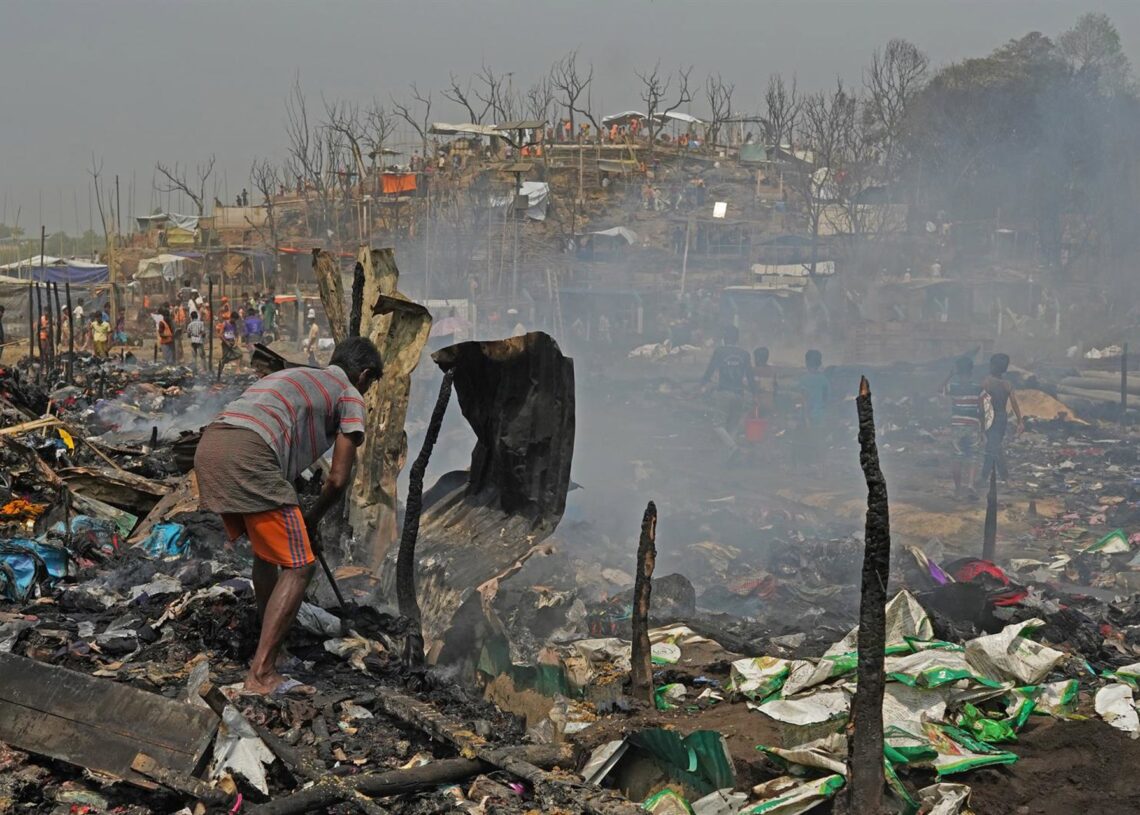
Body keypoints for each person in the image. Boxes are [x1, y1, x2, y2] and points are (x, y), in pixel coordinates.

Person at [195, 336, 383, 696]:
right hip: (251, 453)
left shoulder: (300, 377)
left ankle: (276, 653)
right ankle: (261, 674)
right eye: (371, 385)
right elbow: (339, 478)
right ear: (364, 375)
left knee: (268, 556)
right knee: (301, 566)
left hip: (212, 446)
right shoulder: (349, 394)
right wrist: (311, 520)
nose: (368, 393)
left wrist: (302, 518)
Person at [700, 325, 756, 452]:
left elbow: (710, 370)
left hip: (724, 392)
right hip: (739, 394)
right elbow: (750, 376)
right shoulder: (745, 354)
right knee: (733, 426)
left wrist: (702, 384)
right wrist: (755, 393)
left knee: (718, 424)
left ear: (724, 338)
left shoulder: (719, 351)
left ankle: (733, 448)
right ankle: (730, 454)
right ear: (737, 339)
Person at [942, 356, 983, 499]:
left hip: (957, 426)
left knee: (957, 456)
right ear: (971, 370)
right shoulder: (978, 388)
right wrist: (982, 427)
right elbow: (982, 408)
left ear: (958, 371)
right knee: (973, 456)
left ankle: (958, 489)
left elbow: (940, 389)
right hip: (973, 425)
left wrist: (949, 375)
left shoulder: (954, 387)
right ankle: (970, 485)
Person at [979, 353, 1023, 486]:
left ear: (992, 366)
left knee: (993, 448)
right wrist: (1020, 420)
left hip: (990, 418)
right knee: (993, 447)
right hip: (1002, 419)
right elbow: (1014, 403)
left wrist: (980, 424)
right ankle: (990, 477)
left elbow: (981, 405)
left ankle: (997, 477)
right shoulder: (1007, 384)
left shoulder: (986, 382)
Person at [799, 350, 830, 429]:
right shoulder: (824, 379)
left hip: (808, 417)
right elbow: (826, 398)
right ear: (819, 363)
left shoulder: (804, 379)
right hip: (821, 415)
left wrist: (806, 419)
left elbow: (805, 400)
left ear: (807, 363)